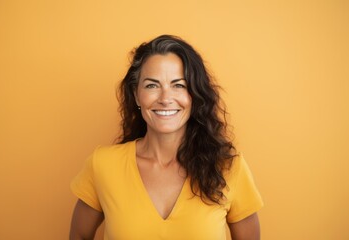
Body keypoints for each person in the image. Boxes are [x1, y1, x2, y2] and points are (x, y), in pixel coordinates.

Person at [69, 35, 263, 240]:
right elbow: (79, 235)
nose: (165, 99)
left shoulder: (228, 168)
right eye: (152, 85)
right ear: (136, 95)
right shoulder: (103, 164)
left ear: (194, 95)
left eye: (178, 85)